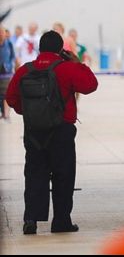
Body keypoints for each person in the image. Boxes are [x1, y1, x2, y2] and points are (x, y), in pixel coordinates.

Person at [5, 31, 98, 235]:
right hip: (62, 131)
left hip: (33, 132)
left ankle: (31, 220)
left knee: (34, 174)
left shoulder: (24, 70)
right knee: (63, 175)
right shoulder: (67, 68)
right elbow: (91, 85)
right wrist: (76, 61)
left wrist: (29, 112)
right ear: (60, 49)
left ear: (40, 48)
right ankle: (61, 222)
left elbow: (11, 97)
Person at [1, 25, 17, 120]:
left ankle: (6, 114)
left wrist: (10, 66)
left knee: (6, 94)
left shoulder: (9, 44)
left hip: (6, 72)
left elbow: (12, 56)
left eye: (2, 32)